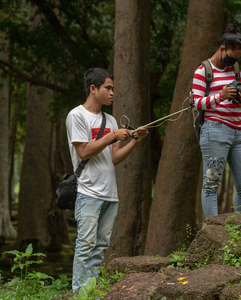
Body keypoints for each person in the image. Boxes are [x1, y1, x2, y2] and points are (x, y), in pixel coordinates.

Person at [66, 68, 148, 291]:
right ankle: (78, 292)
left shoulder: (111, 120)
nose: (112, 93)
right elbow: (83, 151)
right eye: (108, 88)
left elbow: (113, 158)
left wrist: (134, 142)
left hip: (110, 194)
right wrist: (112, 136)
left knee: (100, 246)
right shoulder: (77, 116)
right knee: (85, 245)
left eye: (113, 89)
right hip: (87, 192)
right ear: (93, 88)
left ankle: (90, 290)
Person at [192, 24, 241, 217]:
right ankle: (213, 232)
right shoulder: (203, 71)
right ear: (222, 49)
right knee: (211, 185)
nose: (234, 61)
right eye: (232, 56)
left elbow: (238, 95)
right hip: (215, 130)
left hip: (238, 130)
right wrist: (221, 95)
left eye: (237, 58)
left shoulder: (234, 68)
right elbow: (196, 103)